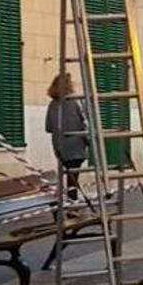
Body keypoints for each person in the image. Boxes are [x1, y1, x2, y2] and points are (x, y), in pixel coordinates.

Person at [45, 73, 88, 201]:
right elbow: (85, 122)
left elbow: (48, 127)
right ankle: (72, 204)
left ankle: (69, 202)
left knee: (68, 176)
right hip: (77, 145)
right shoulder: (76, 102)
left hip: (59, 147)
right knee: (73, 178)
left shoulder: (53, 104)